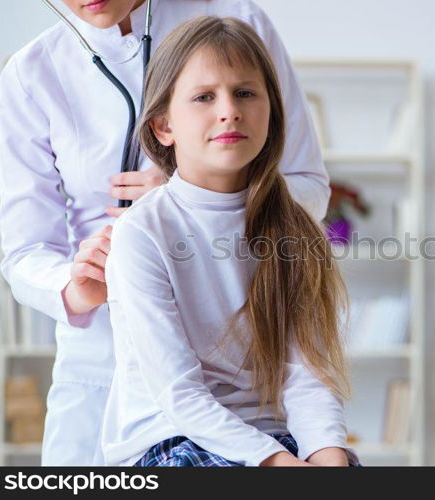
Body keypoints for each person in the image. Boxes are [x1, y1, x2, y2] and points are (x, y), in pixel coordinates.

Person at [0, 0, 329, 466]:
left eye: (241, 95)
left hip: (247, 378)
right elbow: (26, 251)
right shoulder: (33, 72)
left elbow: (307, 187)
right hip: (104, 359)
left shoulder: (238, 20)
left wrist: (192, 194)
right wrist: (74, 288)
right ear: (162, 126)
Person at [101, 15, 359, 467]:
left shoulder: (296, 229)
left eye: (245, 93)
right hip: (173, 438)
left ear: (271, 113)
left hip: (273, 436)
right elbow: (179, 394)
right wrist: (280, 465)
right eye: (204, 97)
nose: (229, 110)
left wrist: (328, 456)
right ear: (164, 125)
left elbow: (307, 377)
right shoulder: (142, 232)